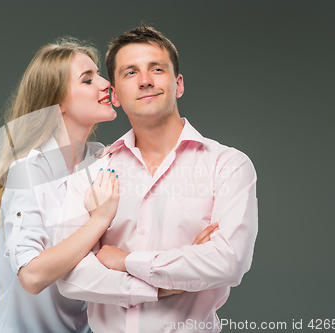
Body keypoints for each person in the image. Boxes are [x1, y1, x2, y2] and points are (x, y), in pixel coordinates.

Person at [54, 24, 258, 333]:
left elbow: (228, 263)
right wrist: (165, 282)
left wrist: (125, 261)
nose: (146, 81)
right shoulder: (91, 173)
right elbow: (69, 276)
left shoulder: (227, 165)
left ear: (178, 84)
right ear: (116, 95)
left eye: (157, 69)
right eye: (131, 73)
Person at [0, 38, 120, 333]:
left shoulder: (102, 160)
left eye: (99, 75)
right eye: (88, 79)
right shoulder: (28, 172)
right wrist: (99, 220)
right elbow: (31, 276)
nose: (106, 83)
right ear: (58, 103)